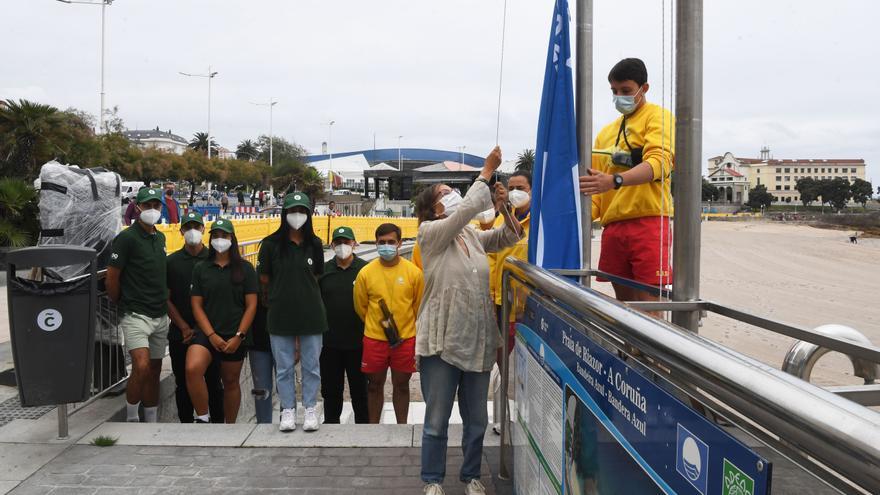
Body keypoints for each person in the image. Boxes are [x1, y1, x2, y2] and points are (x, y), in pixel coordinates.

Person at [413, 147, 522, 495]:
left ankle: (471, 475)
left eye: (453, 191)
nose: (454, 197)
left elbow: (507, 236)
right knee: (436, 418)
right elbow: (467, 211)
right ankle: (432, 480)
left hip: (476, 338)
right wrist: (486, 171)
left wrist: (504, 206)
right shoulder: (431, 234)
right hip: (442, 340)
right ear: (433, 208)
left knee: (476, 419)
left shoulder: (471, 235)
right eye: (446, 194)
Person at [579, 57, 675, 309]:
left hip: (649, 221)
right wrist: (576, 222)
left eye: (626, 91)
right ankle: (628, 350)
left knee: (649, 304)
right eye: (614, 91)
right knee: (624, 306)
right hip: (613, 228)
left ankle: (651, 348)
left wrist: (615, 180)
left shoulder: (658, 117)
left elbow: (660, 164)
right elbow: (595, 191)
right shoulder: (605, 133)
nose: (619, 97)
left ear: (644, 88)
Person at [257, 192, 327, 432]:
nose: (296, 216)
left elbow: (316, 275)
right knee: (284, 366)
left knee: (311, 365)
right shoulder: (270, 245)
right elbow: (264, 279)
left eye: (301, 211)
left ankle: (309, 408)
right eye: (292, 211)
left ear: (308, 214)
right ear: (284, 214)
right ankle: (287, 409)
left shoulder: (315, 244)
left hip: (311, 314)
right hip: (280, 313)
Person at [106, 187, 170, 423]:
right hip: (135, 314)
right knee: (141, 366)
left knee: (154, 370)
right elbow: (112, 277)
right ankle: (132, 417)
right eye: (147, 205)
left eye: (156, 205)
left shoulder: (160, 237)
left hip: (160, 315)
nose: (152, 210)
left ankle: (151, 418)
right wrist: (120, 302)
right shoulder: (126, 238)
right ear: (137, 207)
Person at [187, 219, 258, 423]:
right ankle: (202, 418)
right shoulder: (201, 268)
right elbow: (197, 305)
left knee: (230, 381)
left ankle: (230, 426)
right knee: (192, 368)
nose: (220, 240)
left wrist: (239, 336)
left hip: (235, 333)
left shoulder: (245, 269)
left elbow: (251, 305)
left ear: (232, 239)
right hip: (207, 333)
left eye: (224, 236)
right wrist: (211, 335)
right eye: (216, 236)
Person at [353, 223, 424, 424]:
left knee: (402, 385)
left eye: (391, 242)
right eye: (382, 242)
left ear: (399, 243)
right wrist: (377, 325)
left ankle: (402, 427)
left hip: (405, 339)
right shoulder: (365, 273)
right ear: (376, 243)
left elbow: (418, 307)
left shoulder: (414, 273)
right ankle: (374, 429)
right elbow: (361, 307)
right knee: (374, 385)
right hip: (375, 339)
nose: (387, 246)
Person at [166, 211, 223, 423]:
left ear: (203, 229)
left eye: (196, 227)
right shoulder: (171, 262)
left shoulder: (214, 259)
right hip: (180, 333)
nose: (192, 231)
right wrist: (183, 327)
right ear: (180, 231)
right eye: (187, 227)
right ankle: (186, 425)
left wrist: (207, 331)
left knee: (213, 382)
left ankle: (217, 424)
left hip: (210, 334)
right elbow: (166, 298)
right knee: (182, 382)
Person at [319, 226, 369, 424]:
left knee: (360, 391)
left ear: (354, 244)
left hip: (359, 342)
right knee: (331, 391)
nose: (342, 246)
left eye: (346, 242)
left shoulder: (365, 270)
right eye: (338, 242)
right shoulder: (323, 271)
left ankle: (364, 430)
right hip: (329, 343)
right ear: (332, 245)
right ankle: (332, 427)